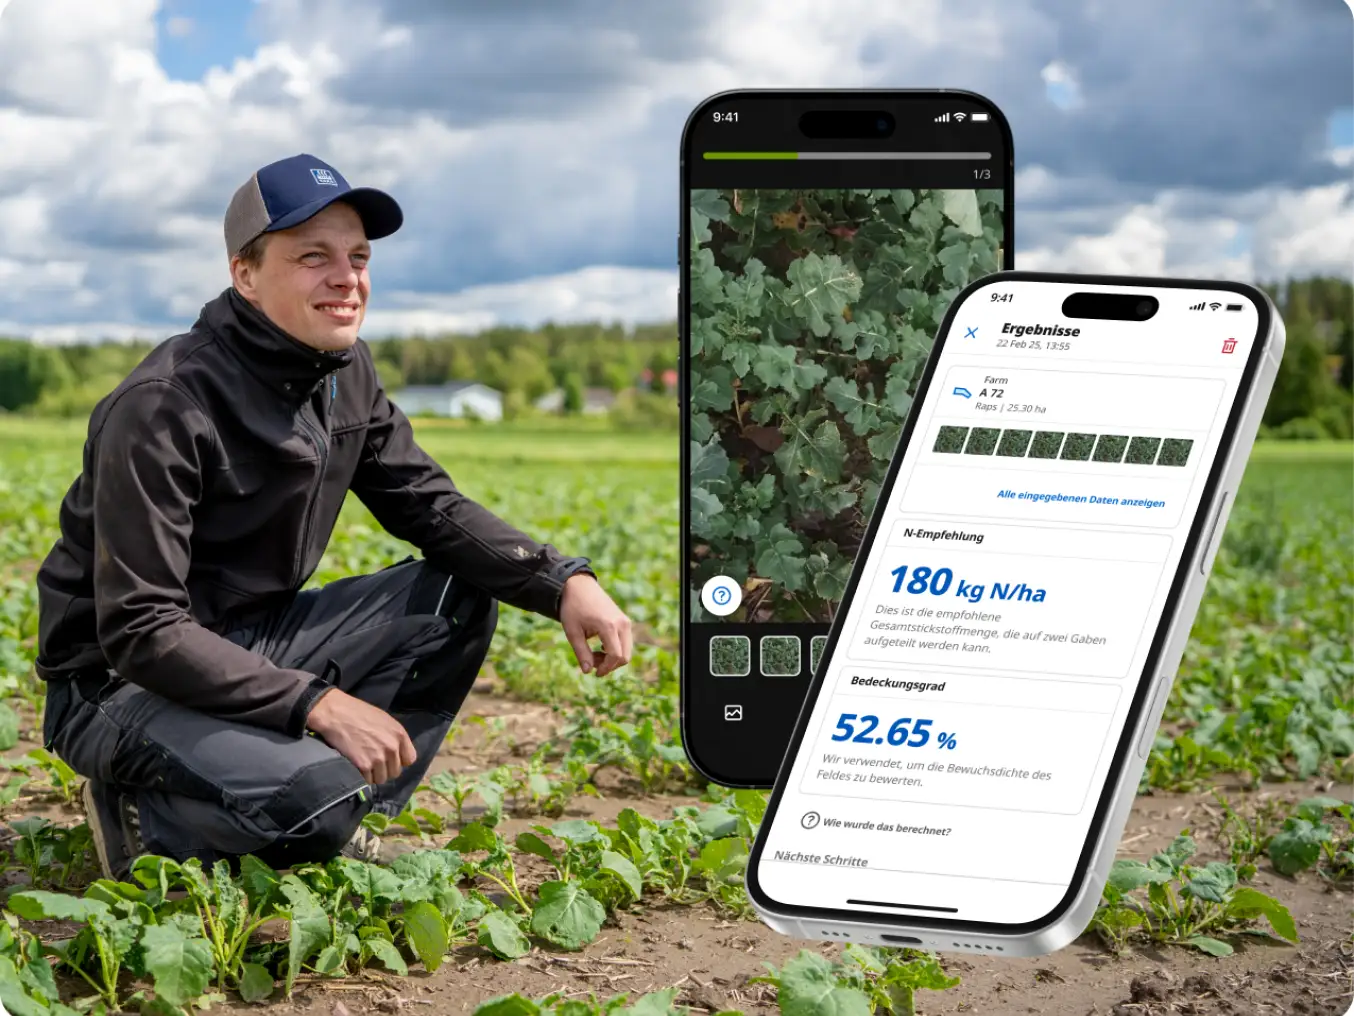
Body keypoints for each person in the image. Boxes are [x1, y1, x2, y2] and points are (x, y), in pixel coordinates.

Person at [33, 154, 633, 880]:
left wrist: (562, 580)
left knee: (458, 595)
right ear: (245, 275)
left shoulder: (343, 374)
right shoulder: (165, 405)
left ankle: (337, 825)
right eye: (312, 256)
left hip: (250, 641)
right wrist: (313, 704)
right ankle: (143, 816)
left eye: (357, 257)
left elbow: (429, 505)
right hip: (116, 684)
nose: (346, 278)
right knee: (313, 793)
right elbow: (142, 630)